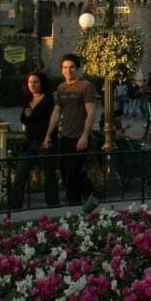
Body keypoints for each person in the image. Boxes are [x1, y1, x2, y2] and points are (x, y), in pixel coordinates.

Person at [44, 53, 98, 208]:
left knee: (75, 171)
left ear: (77, 68)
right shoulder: (61, 88)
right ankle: (78, 201)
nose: (68, 71)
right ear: (61, 70)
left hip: (80, 136)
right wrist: (48, 135)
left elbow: (91, 112)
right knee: (66, 173)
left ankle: (85, 199)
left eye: (72, 67)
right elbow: (56, 112)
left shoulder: (86, 86)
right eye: (65, 68)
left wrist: (85, 136)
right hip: (65, 135)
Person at [10, 70, 59, 209]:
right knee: (20, 174)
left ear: (42, 83)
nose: (32, 85)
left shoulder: (49, 100)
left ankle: (52, 203)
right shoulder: (27, 99)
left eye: (35, 82)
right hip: (30, 142)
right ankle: (14, 205)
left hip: (45, 142)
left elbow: (52, 120)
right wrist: (25, 115)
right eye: (30, 82)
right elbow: (25, 120)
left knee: (49, 175)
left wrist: (48, 137)